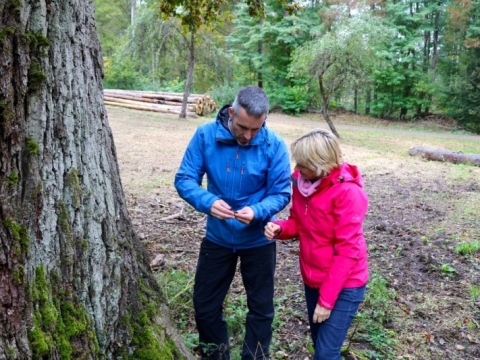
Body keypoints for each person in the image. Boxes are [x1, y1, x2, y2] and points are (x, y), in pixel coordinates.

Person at [174, 86, 291, 360]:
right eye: (242, 127)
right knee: (205, 306)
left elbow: (282, 192)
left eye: (255, 129)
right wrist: (207, 202)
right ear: (230, 113)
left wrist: (258, 210)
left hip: (258, 240)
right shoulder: (204, 136)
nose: (248, 136)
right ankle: (216, 356)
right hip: (217, 238)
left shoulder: (274, 144)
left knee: (261, 309)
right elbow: (184, 179)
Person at [264, 129, 369, 360]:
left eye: (303, 164)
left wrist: (327, 300)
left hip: (345, 284)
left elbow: (348, 253)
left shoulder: (348, 193)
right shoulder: (302, 184)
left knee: (325, 354)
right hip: (313, 279)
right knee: (320, 345)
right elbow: (299, 223)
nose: (297, 168)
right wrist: (280, 228)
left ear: (320, 164)